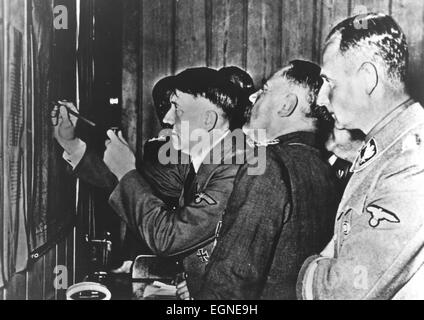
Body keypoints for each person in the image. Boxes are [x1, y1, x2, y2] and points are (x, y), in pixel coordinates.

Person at [52, 67, 254, 296]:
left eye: (177, 108)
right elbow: (141, 186)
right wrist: (73, 145)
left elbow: (169, 236)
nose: (167, 119)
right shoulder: (203, 157)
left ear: (208, 119)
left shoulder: (236, 166)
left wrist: (126, 170)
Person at [178, 60, 339, 300]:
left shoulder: (268, 165)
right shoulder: (323, 167)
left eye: (264, 90)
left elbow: (230, 282)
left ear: (286, 105)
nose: (253, 98)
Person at [297, 13, 424, 300]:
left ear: (368, 77)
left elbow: (344, 290)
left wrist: (309, 269)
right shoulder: (386, 145)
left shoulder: (412, 158)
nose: (320, 99)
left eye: (330, 82)